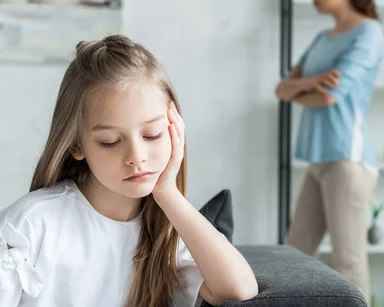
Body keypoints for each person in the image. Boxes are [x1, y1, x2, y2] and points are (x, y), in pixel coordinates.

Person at [0, 35, 258, 306]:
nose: (137, 157)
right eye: (110, 141)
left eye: (152, 135)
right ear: (77, 144)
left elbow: (238, 289)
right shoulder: (30, 224)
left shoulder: (169, 229)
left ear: (175, 129)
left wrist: (168, 193)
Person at [275, 0, 384, 303]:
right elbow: (283, 88)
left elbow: (329, 98)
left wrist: (305, 88)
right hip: (319, 160)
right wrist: (311, 81)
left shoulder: (369, 33)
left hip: (347, 161)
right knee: (294, 256)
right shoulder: (324, 39)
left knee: (348, 264)